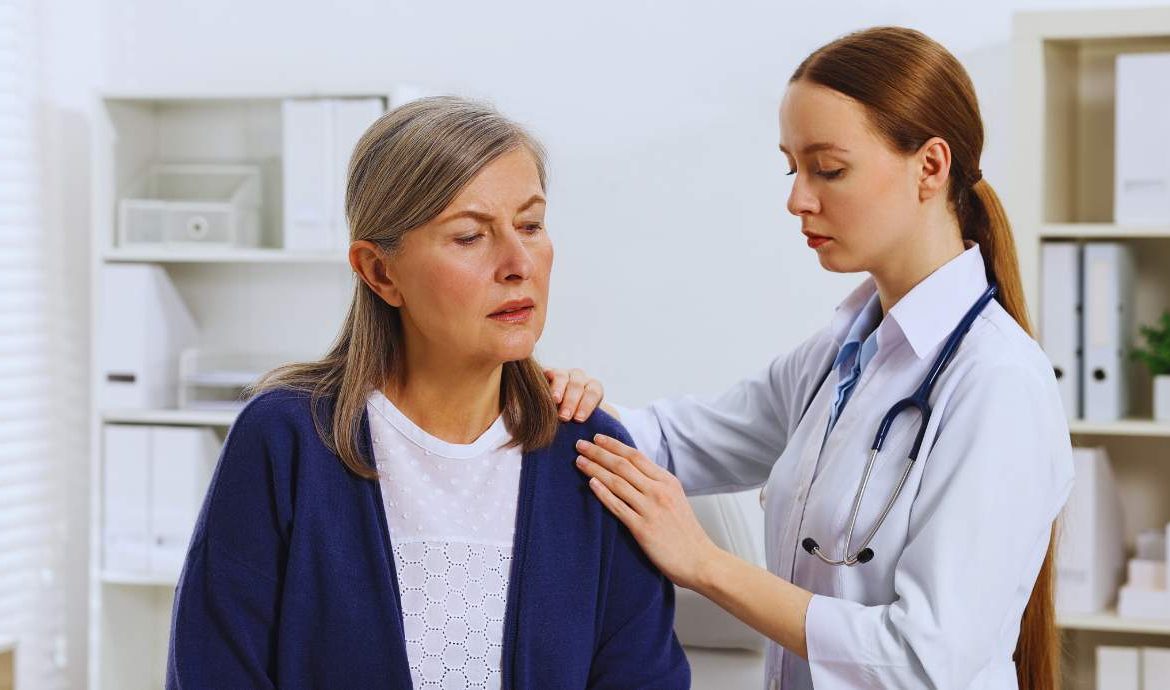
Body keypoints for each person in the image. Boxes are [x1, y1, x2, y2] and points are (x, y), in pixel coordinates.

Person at [555, 27, 1074, 690]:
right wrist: (548, 401)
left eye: (828, 168)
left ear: (931, 167)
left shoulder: (997, 383)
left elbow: (924, 660)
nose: (798, 198)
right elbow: (676, 440)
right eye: (791, 167)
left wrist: (706, 564)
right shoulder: (842, 353)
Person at [166, 96, 689, 690]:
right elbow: (215, 669)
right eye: (469, 236)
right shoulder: (287, 439)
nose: (518, 263)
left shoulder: (592, 454)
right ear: (380, 272)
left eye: (531, 225)